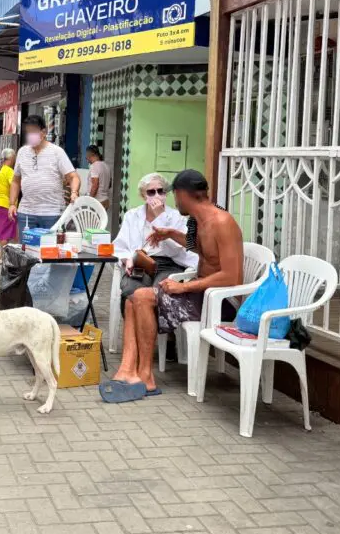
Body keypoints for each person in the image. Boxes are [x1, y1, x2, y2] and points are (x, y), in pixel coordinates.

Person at [101, 169, 244, 403]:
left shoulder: (222, 221)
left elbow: (232, 277)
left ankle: (146, 375)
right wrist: (171, 234)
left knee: (143, 297)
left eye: (170, 194)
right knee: (132, 299)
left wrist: (185, 287)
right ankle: (129, 370)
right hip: (200, 294)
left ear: (181, 194)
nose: (170, 200)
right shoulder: (197, 220)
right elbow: (197, 248)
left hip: (218, 302)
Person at [113, 173, 197, 313]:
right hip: (141, 263)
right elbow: (120, 245)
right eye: (151, 192)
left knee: (158, 293)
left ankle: (157, 331)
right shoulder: (132, 216)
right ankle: (135, 331)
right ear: (143, 196)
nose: (157, 195)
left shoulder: (176, 216)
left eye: (161, 191)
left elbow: (176, 248)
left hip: (169, 264)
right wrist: (128, 259)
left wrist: (160, 216)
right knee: (131, 291)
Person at [8, 115, 80, 231]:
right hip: (26, 213)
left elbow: (73, 177)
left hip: (52, 213)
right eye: (28, 132)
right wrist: (12, 203)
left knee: (50, 248)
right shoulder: (22, 152)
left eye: (33, 131)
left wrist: (74, 192)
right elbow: (16, 181)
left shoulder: (57, 152)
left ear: (43, 132)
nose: (30, 135)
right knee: (26, 248)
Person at [0, 147, 17, 263]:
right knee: (4, 233)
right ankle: (3, 257)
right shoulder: (10, 171)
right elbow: (14, 187)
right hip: (6, 205)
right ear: (10, 158)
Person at [86, 145, 112, 211]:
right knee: (101, 221)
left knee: (91, 221)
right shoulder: (106, 166)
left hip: (97, 202)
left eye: (87, 155)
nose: (86, 158)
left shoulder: (94, 166)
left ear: (91, 154)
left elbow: (95, 185)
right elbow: (109, 184)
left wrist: (89, 200)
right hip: (105, 201)